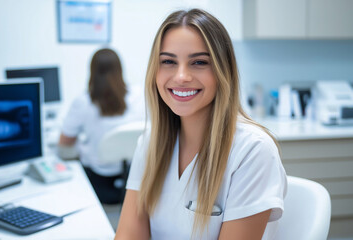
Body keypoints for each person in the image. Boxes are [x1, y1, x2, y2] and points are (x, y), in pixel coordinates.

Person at [115, 9, 287, 239]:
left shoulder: (253, 151)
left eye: (199, 62)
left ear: (222, 71)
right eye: (168, 61)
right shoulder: (149, 144)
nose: (181, 76)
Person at [59, 48, 144, 204]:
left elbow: (64, 142)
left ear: (92, 72)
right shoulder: (139, 96)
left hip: (98, 183)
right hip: (133, 180)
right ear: (120, 70)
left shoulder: (83, 102)